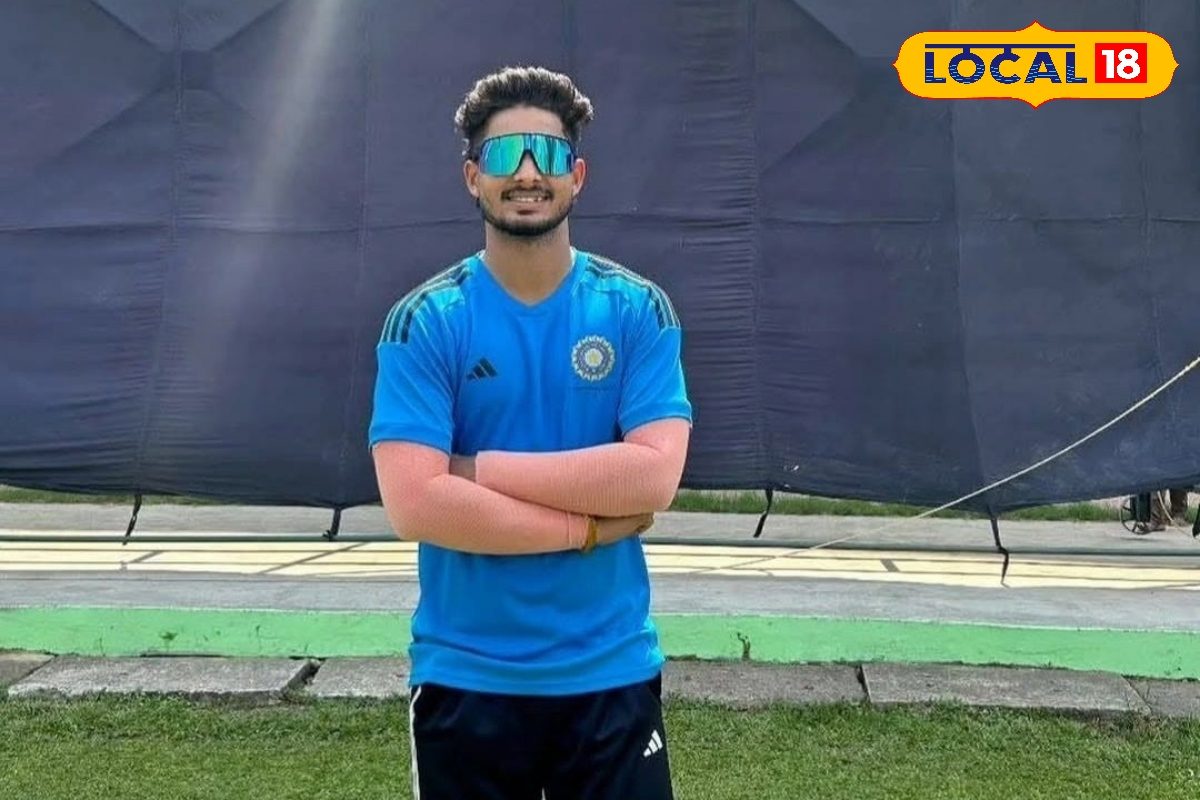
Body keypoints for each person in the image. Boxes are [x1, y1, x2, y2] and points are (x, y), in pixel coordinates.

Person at [369, 65, 692, 800]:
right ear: (472, 178)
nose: (525, 173)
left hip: (610, 670)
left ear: (577, 175)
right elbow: (416, 506)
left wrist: (473, 471)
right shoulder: (425, 319)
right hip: (467, 674)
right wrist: (588, 528)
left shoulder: (637, 308)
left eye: (546, 154)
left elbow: (652, 478)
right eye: (502, 155)